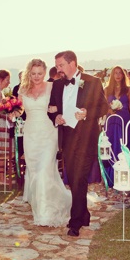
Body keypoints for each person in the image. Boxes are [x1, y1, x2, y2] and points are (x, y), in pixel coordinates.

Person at [48, 50, 109, 237]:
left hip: (86, 137)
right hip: (66, 138)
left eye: (61, 65)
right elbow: (51, 109)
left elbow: (103, 107)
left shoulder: (93, 82)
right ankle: (84, 214)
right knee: (74, 177)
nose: (58, 69)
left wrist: (87, 113)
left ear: (72, 63)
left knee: (78, 177)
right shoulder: (57, 85)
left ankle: (75, 222)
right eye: (57, 66)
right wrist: (55, 116)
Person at [15, 59, 71, 226]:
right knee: (35, 170)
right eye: (33, 74)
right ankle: (42, 202)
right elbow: (20, 109)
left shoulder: (52, 86)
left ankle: (44, 213)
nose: (37, 77)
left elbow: (62, 104)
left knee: (43, 170)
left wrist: (56, 110)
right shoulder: (22, 89)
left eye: (40, 73)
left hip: (48, 133)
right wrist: (11, 112)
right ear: (28, 73)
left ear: (45, 72)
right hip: (30, 134)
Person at [102, 65, 130, 185]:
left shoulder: (129, 89)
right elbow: (103, 105)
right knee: (111, 145)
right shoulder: (107, 89)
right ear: (112, 76)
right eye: (115, 73)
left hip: (125, 120)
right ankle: (111, 176)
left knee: (125, 144)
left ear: (123, 75)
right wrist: (109, 110)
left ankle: (128, 175)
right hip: (111, 121)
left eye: (119, 73)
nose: (117, 75)